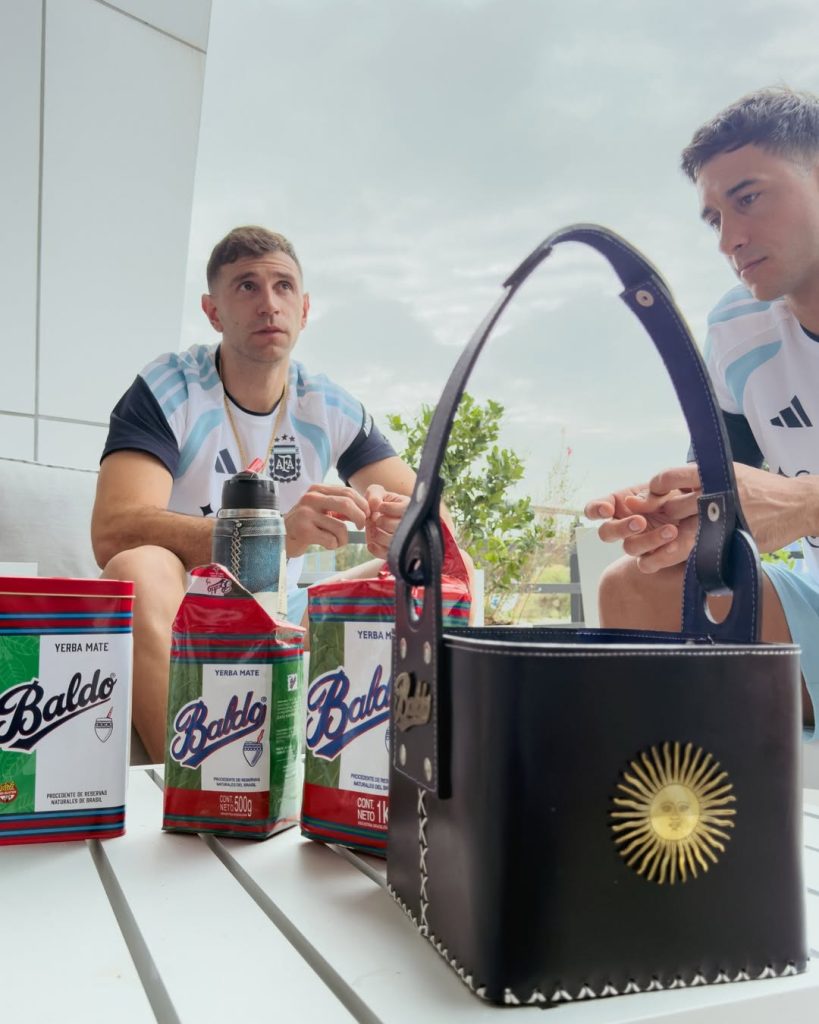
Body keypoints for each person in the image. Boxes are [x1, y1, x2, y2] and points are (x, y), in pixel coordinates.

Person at [92, 226, 417, 762]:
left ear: (304, 309)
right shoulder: (170, 386)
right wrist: (269, 537)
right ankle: (187, 781)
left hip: (286, 614)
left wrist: (399, 524)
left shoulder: (326, 402)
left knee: (419, 570)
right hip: (188, 607)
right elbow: (113, 530)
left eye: (284, 286)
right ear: (213, 311)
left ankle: (373, 783)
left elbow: (432, 518)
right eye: (247, 286)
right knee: (138, 568)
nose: (269, 303)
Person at [585, 86, 819, 738]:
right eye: (714, 219)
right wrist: (673, 521)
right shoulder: (735, 331)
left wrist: (805, 504)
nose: (728, 241)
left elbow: (792, 505)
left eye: (748, 198)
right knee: (635, 588)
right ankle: (680, 798)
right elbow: (724, 500)